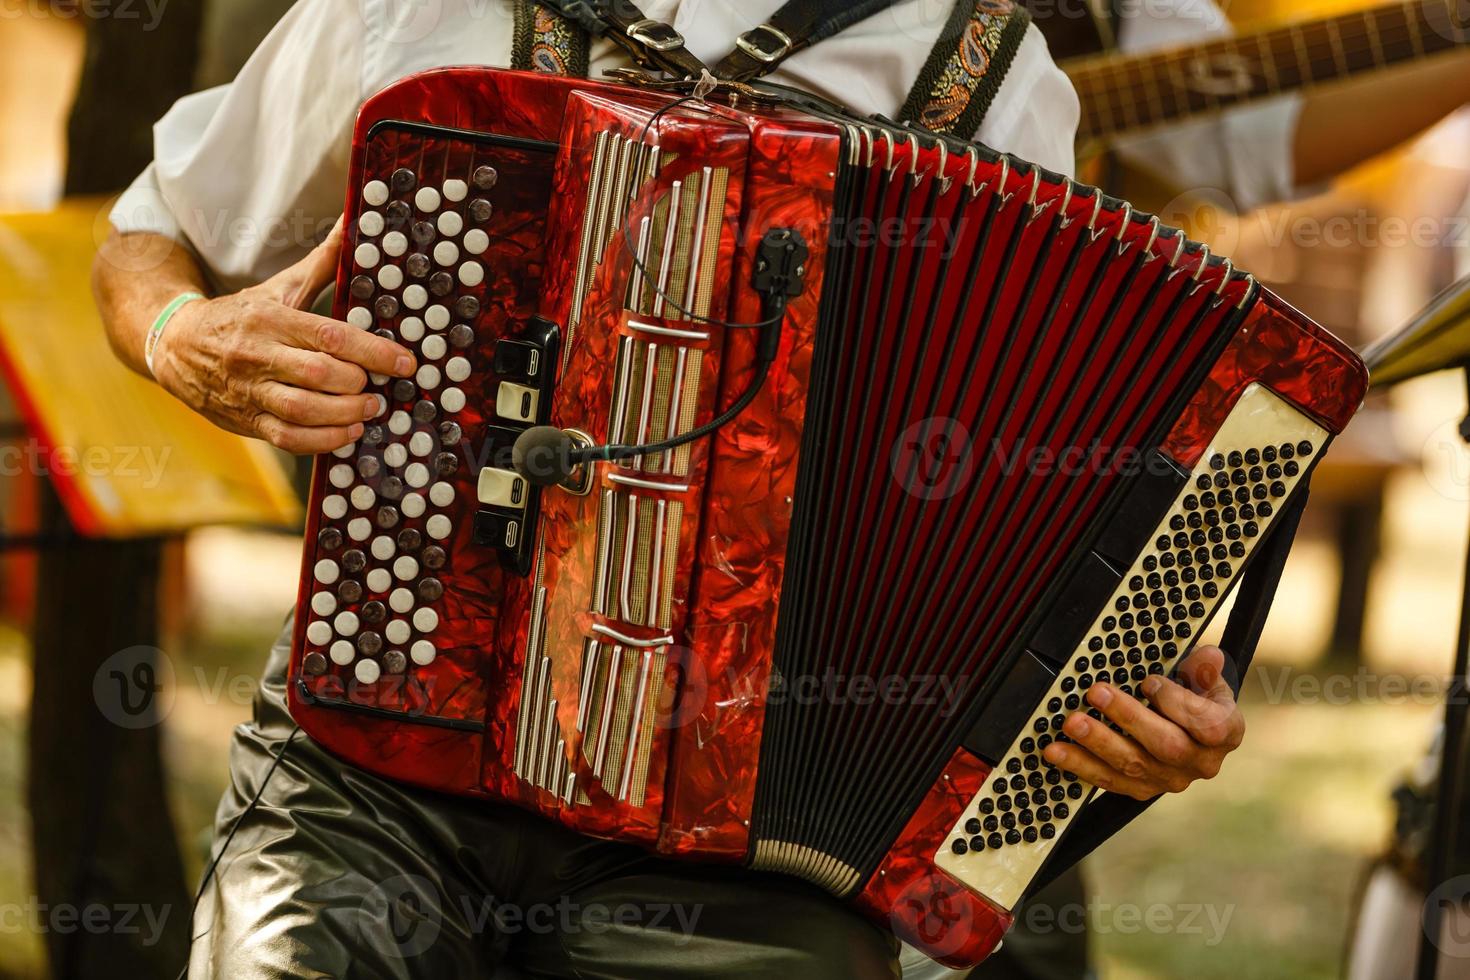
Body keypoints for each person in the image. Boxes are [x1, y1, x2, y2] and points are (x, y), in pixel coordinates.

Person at [92, 1, 1470, 977]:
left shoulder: (988, 71)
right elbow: (158, 227)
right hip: (376, 759)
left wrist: (1131, 691)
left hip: (748, 841)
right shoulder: (420, 6)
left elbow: (1034, 487)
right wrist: (176, 334)